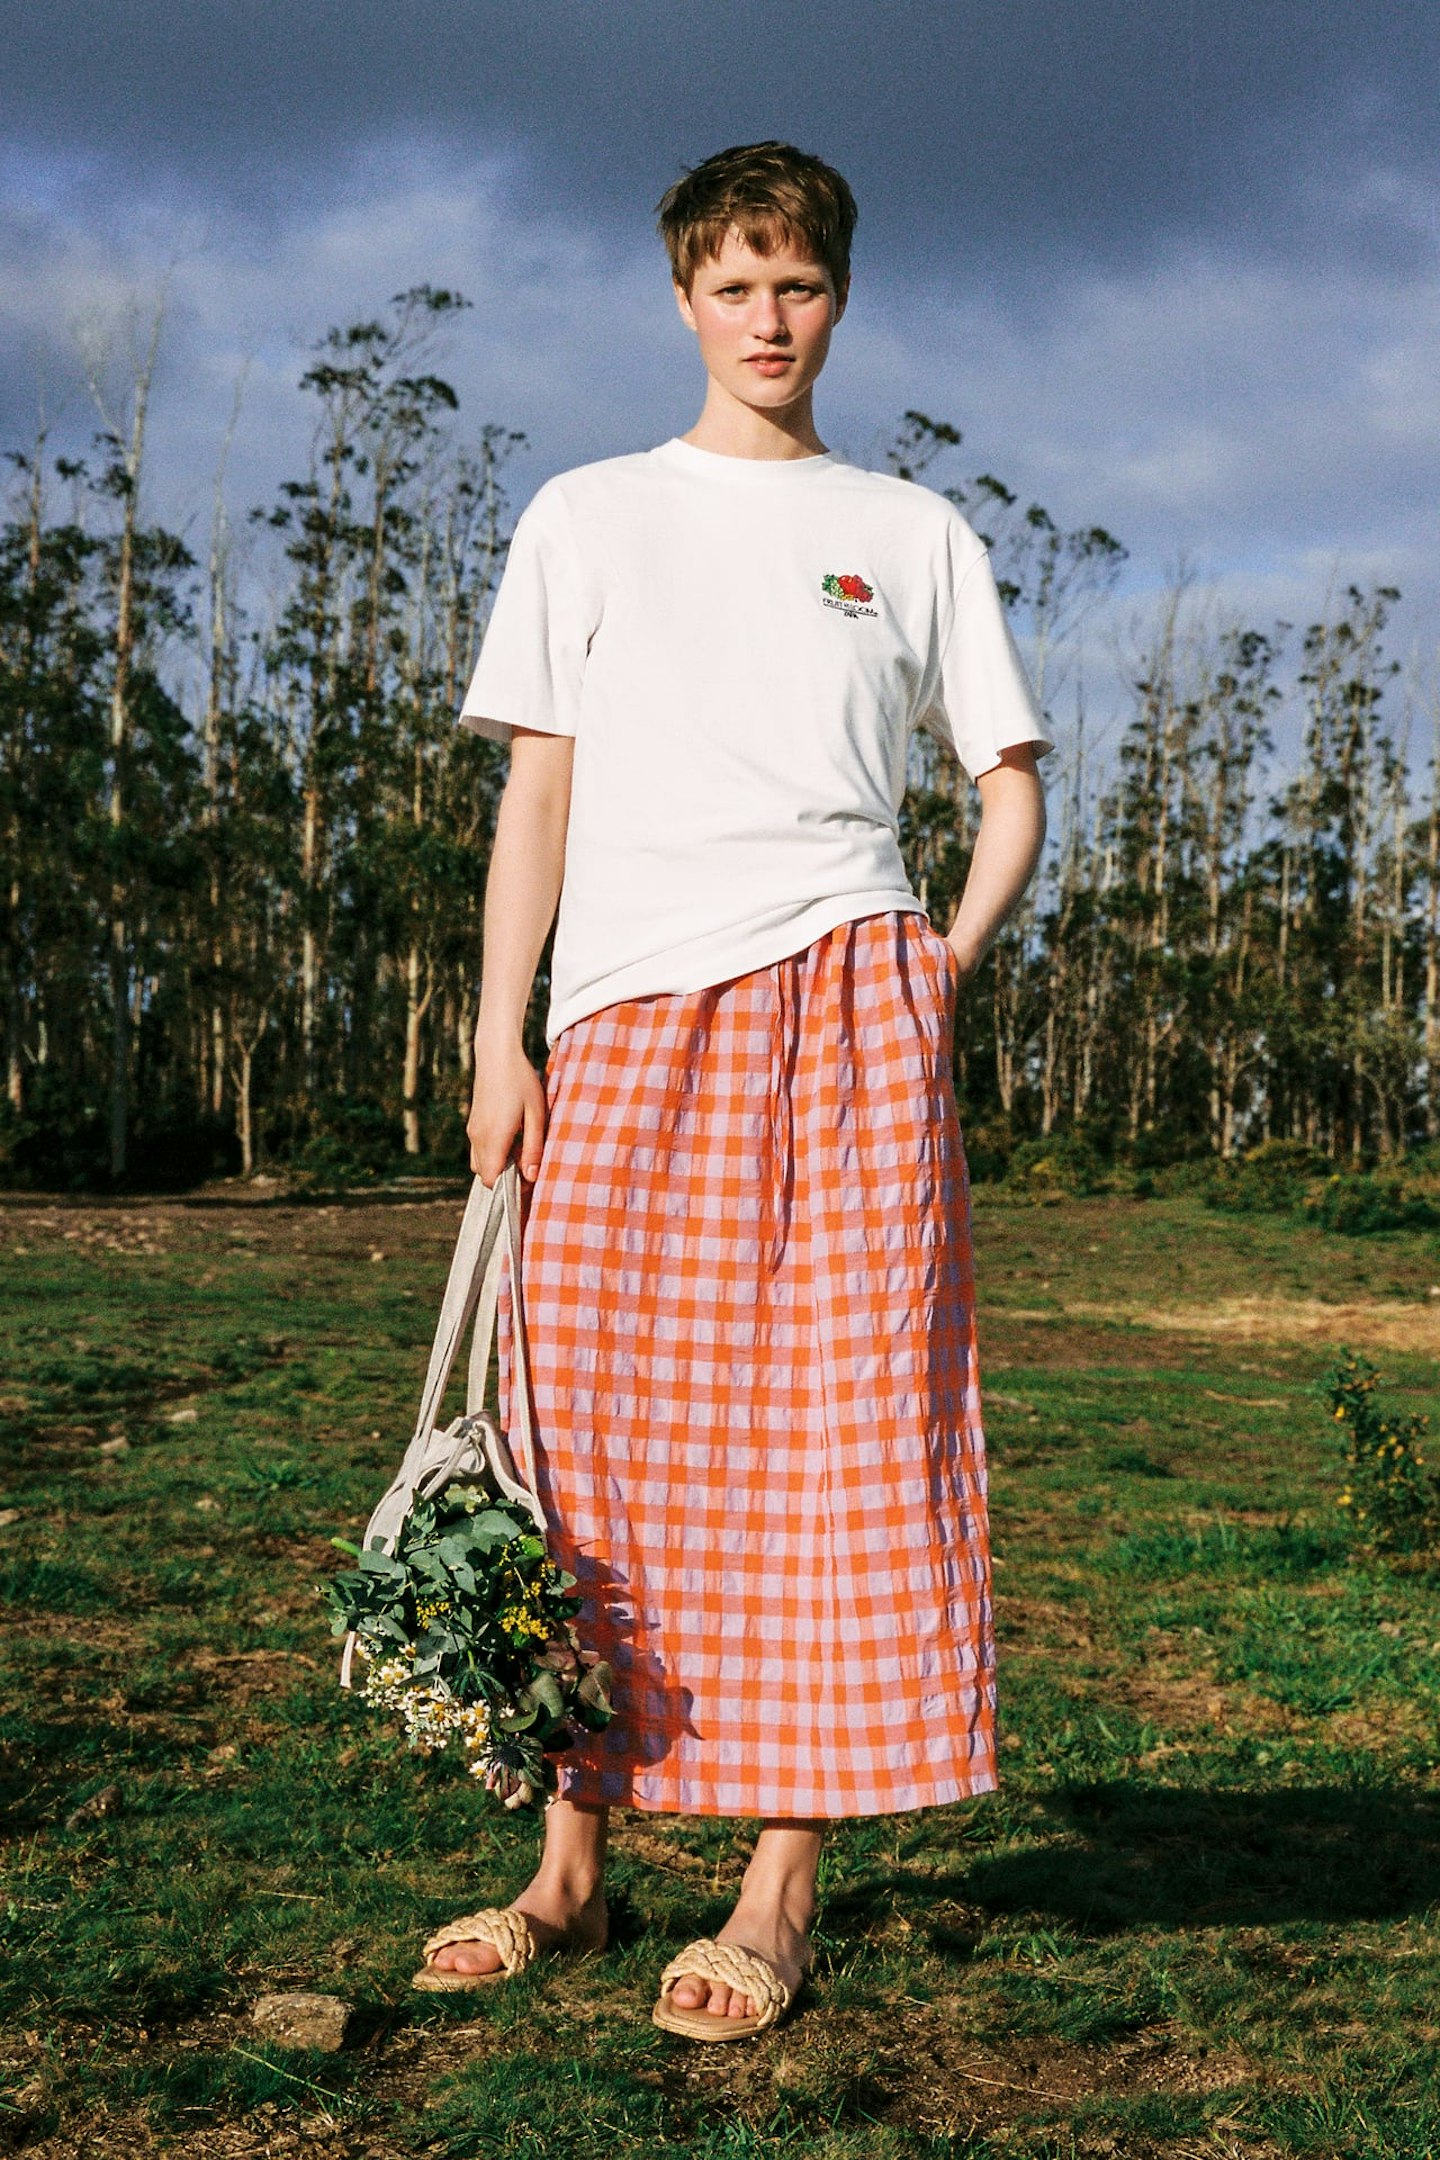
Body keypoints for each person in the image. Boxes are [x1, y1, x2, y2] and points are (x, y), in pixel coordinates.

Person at [411, 139, 1052, 2041]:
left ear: (837, 298)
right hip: (621, 1023)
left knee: (842, 1437)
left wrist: (936, 962)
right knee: (584, 1434)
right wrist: (495, 1036)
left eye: (802, 286)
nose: (770, 320)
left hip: (851, 1014)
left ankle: (778, 1889)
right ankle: (571, 1867)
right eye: (736, 286)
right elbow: (540, 794)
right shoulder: (589, 515)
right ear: (681, 297)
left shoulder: (913, 530)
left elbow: (1008, 778)